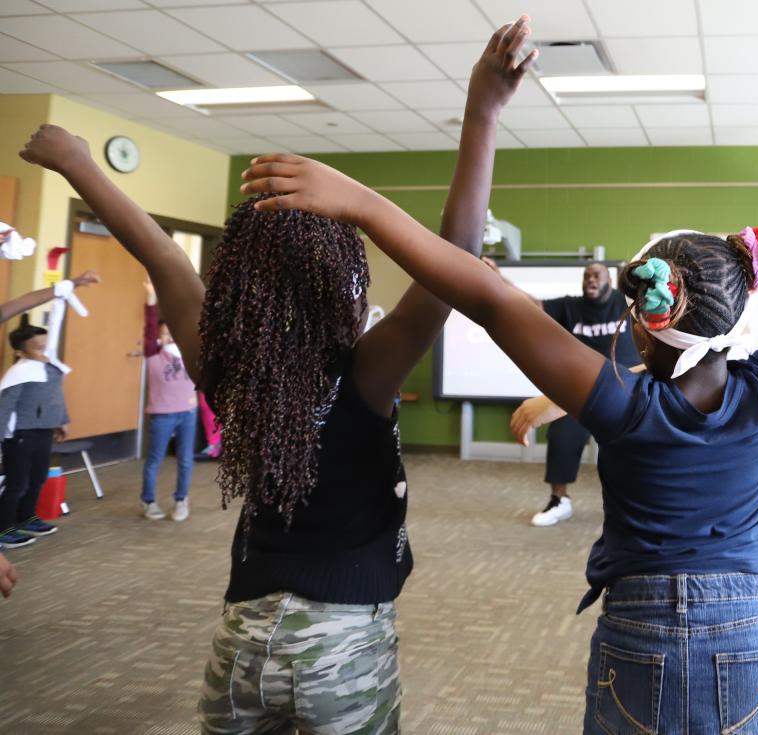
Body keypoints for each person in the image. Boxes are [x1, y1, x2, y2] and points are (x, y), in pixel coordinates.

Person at [239, 116, 758, 727]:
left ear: (647, 319)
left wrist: (364, 206)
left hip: (640, 633)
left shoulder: (624, 404)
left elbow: (489, 295)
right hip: (752, 635)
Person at [20, 17, 535, 732]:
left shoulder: (226, 367)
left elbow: (165, 258)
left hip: (243, 639)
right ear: (343, 287)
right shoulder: (369, 373)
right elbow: (456, 256)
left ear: (241, 287)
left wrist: (79, 163)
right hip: (344, 644)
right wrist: (482, 110)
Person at [499, 261, 639, 527]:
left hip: (625, 389)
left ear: (609, 279)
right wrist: (499, 278)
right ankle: (559, 500)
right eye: (586, 276)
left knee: (635, 448)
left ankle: (636, 505)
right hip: (582, 391)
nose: (590, 280)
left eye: (596, 275)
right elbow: (531, 305)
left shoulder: (626, 303)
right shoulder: (571, 306)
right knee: (562, 437)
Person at [0, 272, 99, 549]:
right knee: (17, 483)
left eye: (46, 346)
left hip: (43, 432)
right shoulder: (18, 373)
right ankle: (4, 528)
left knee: (37, 478)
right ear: (21, 352)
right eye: (38, 348)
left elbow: (56, 398)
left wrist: (62, 421)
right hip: (19, 435)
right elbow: (5, 406)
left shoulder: (49, 369)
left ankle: (26, 518)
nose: (45, 351)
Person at [141, 279, 198, 521]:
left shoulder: (188, 352)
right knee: (154, 460)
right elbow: (150, 325)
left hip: (187, 412)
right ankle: (149, 502)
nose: (168, 336)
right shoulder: (154, 353)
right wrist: (152, 298)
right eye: (164, 333)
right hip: (163, 414)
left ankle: (181, 499)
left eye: (171, 333)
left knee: (185, 459)